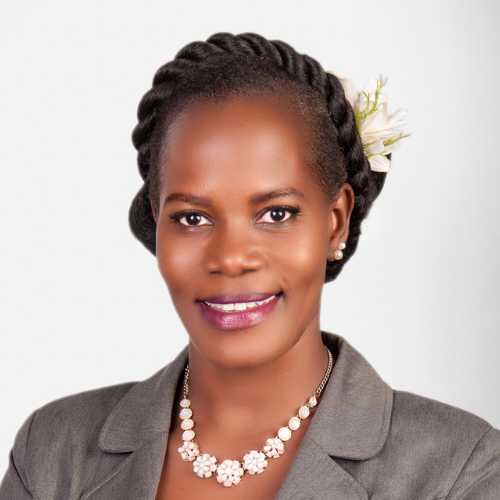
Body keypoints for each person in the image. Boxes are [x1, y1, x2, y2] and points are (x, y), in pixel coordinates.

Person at [1, 32, 499, 500]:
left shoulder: (458, 470)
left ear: (336, 223)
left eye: (276, 214)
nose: (230, 258)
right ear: (157, 223)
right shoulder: (51, 453)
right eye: (192, 218)